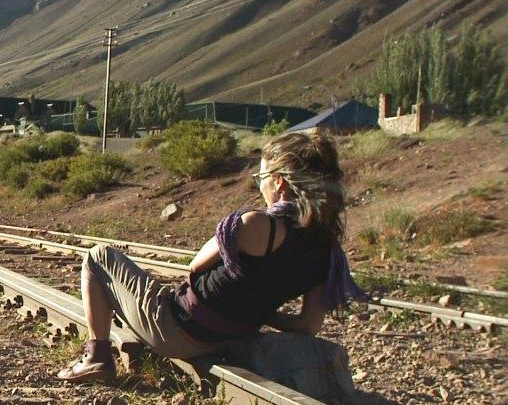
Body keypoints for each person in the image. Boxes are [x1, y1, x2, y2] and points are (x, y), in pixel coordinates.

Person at [57, 131, 363, 382]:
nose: (260, 184)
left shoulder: (256, 224)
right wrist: (261, 313)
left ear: (279, 181)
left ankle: (96, 356)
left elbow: (195, 266)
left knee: (98, 257)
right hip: (232, 338)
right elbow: (308, 325)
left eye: (262, 175)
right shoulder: (327, 248)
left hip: (177, 331)